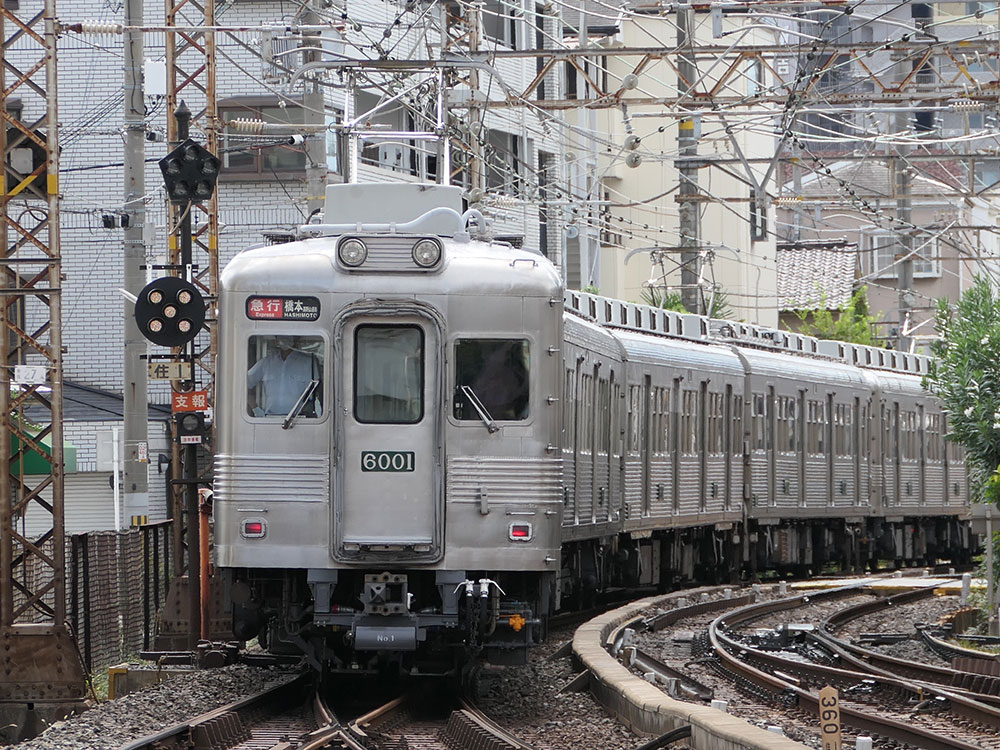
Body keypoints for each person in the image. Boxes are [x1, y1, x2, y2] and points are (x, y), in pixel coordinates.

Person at [247, 336, 321, 417]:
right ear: (276, 340)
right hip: (269, 419)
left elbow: (317, 391)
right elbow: (243, 384)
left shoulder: (308, 362)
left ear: (296, 340)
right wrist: (256, 409)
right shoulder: (266, 362)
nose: (285, 339)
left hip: (299, 419)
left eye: (289, 337)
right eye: (282, 337)